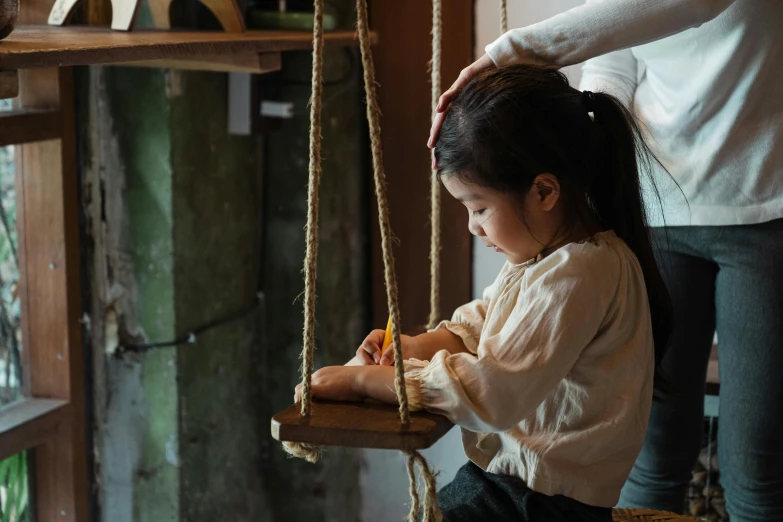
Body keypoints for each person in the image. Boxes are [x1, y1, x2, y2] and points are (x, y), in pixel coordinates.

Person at [427, 2, 783, 521]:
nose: (475, 225)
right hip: (658, 203)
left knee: (756, 465)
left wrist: (508, 54)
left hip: (765, 202)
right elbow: (614, 63)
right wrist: (586, 167)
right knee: (654, 457)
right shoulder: (593, 260)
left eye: (477, 209)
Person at [295, 65, 672, 521]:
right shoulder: (543, 262)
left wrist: (364, 381)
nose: (473, 227)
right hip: (512, 488)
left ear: (545, 190)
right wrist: (407, 349)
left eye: (479, 208)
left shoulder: (580, 272)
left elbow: (493, 393)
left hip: (542, 505)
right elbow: (475, 329)